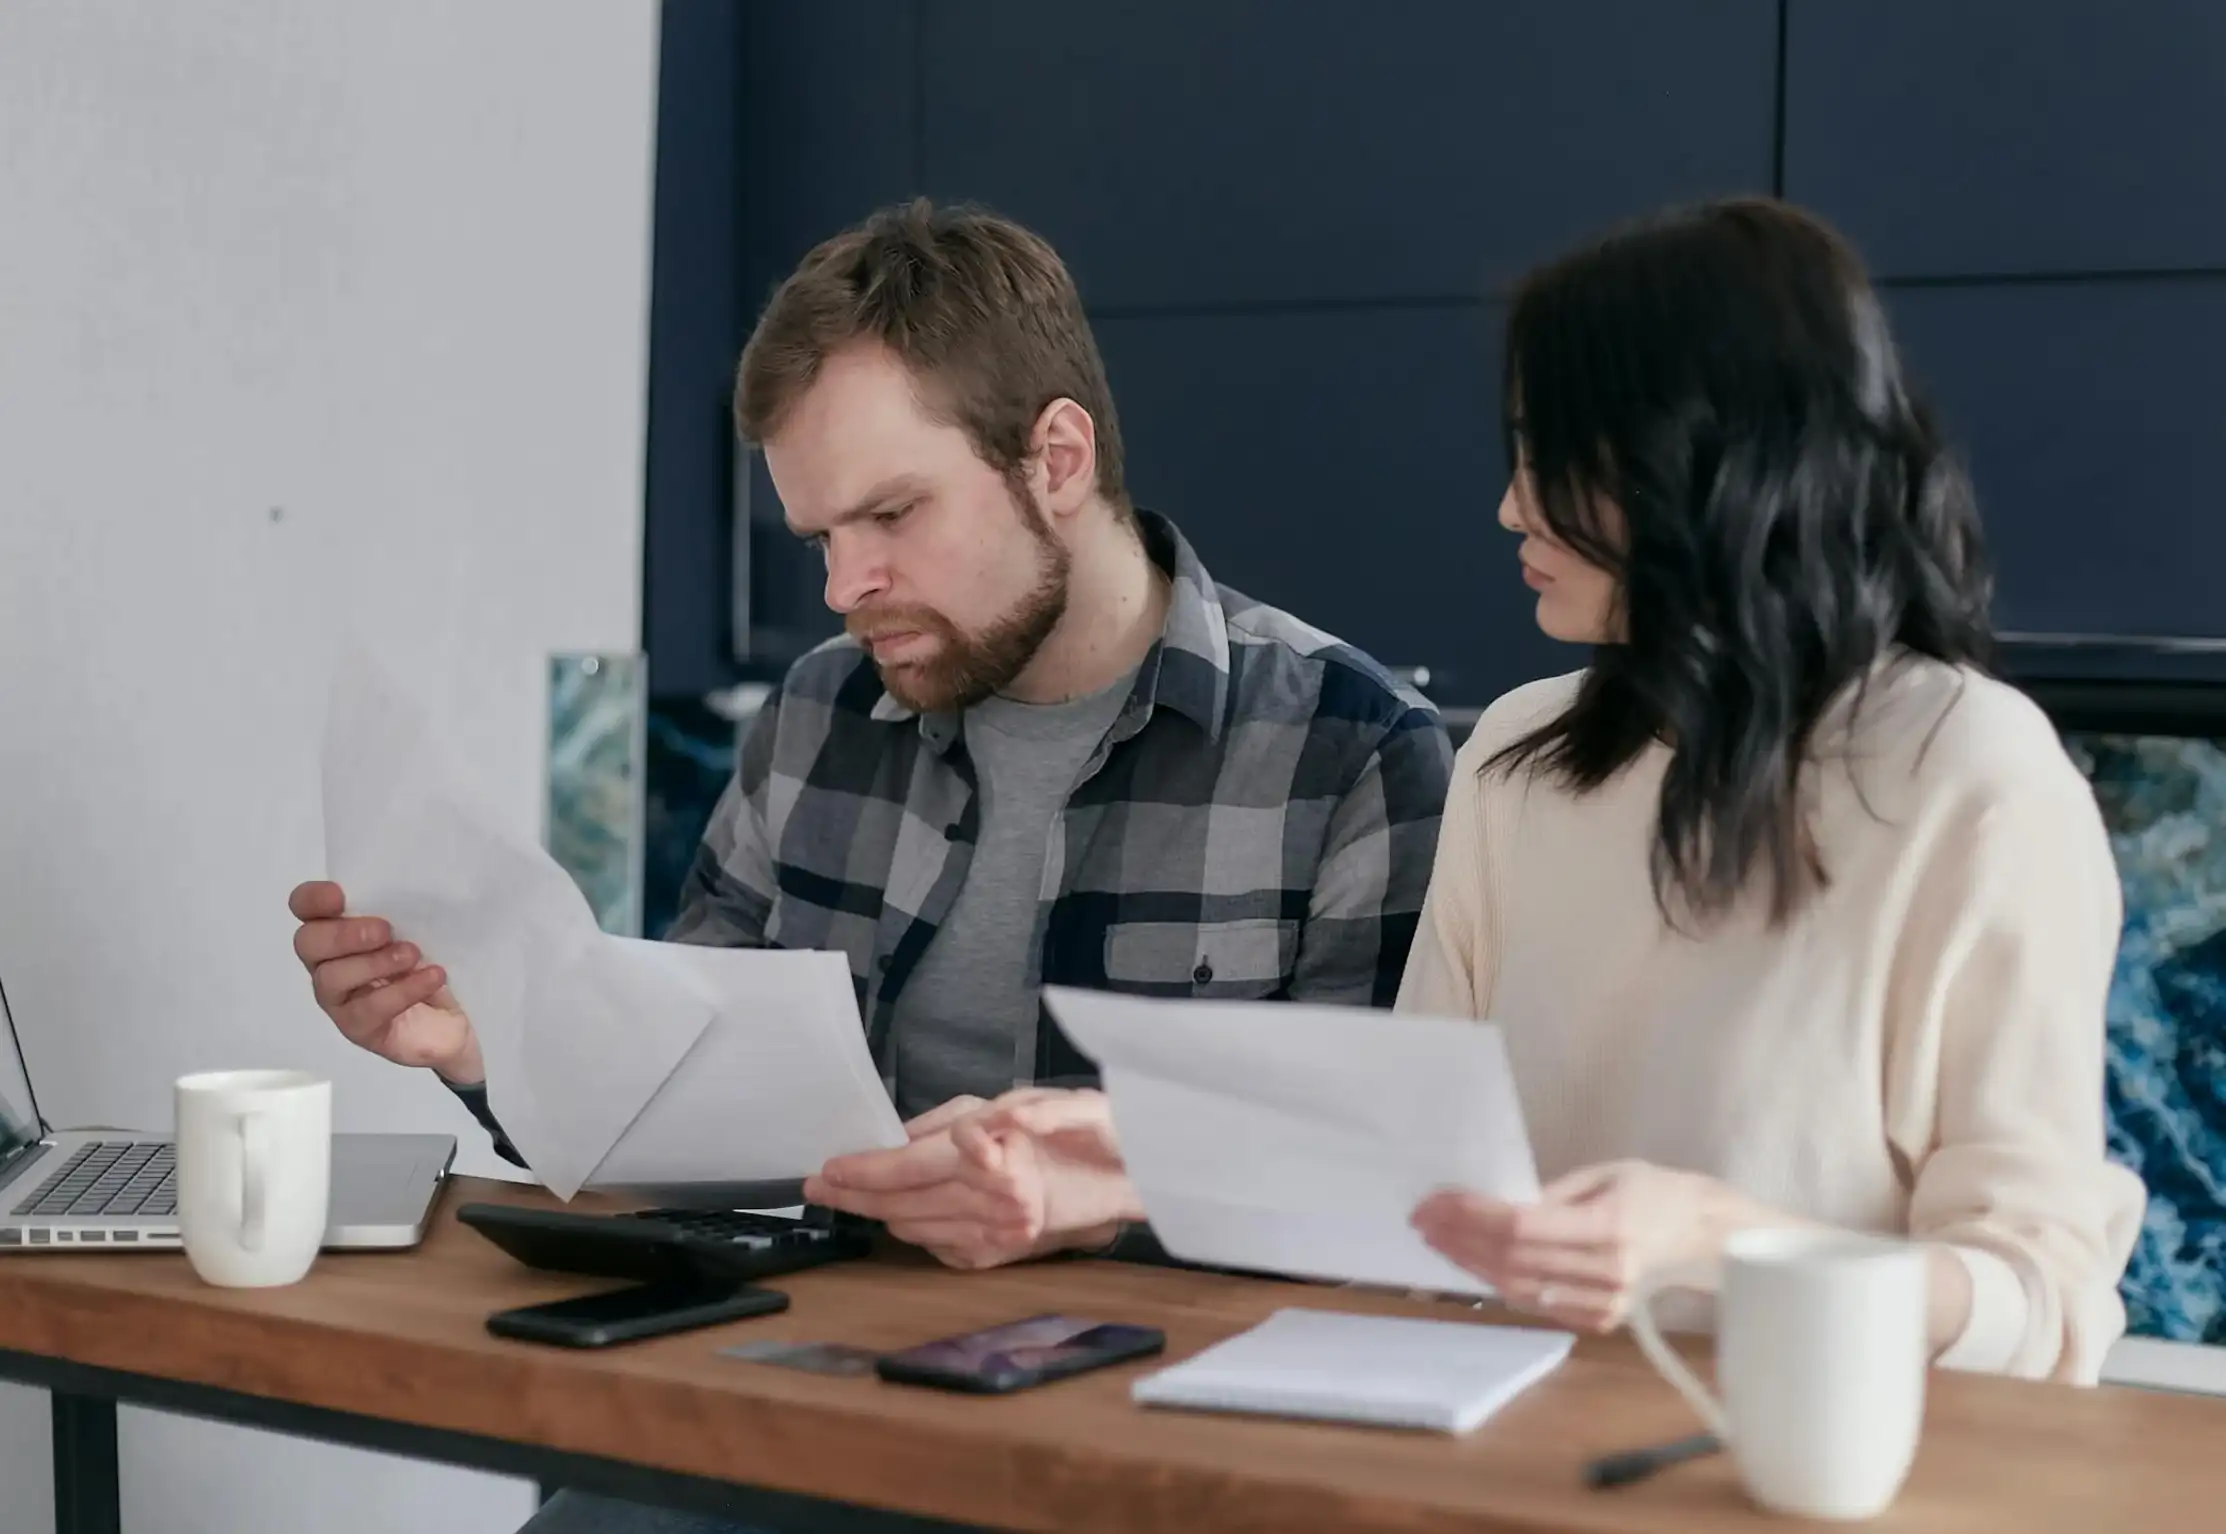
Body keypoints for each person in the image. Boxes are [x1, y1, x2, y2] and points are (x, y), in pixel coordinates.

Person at [287, 197, 1450, 1531]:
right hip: (813, 1392)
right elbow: (667, 1110)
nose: (846, 587)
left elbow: (1375, 1194)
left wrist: (1089, 1199)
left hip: (1153, 1441)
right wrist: (481, 1045)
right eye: (821, 538)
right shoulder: (815, 719)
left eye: (891, 514)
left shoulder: (1349, 751)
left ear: (1056, 458)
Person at [1395, 197, 2145, 1384]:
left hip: (1812, 1457)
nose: (1511, 506)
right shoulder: (1514, 753)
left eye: (1551, 456)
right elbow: (1410, 1178)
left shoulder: (1975, 776)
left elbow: (2043, 1302)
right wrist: (1161, 1155)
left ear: (1703, 456)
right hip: (1498, 1437)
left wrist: (1722, 1239)